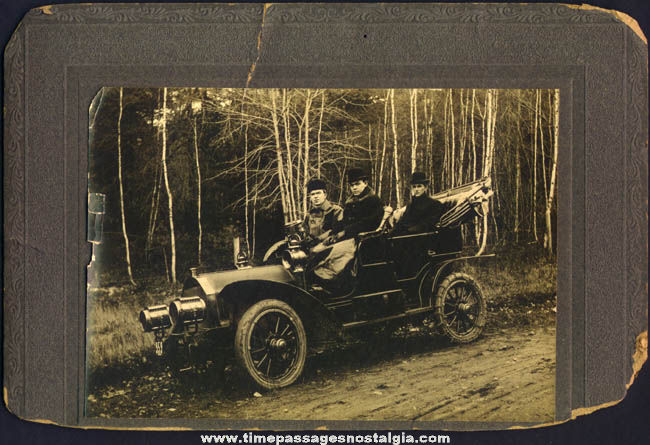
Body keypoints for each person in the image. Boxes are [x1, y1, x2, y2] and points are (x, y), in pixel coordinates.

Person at [312, 167, 384, 289]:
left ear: (365, 183)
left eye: (357, 184)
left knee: (333, 253)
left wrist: (344, 233)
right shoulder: (351, 201)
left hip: (364, 240)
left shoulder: (373, 201)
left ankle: (330, 283)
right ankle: (318, 279)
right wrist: (332, 234)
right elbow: (343, 222)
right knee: (317, 250)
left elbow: (367, 223)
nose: (354, 188)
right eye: (351, 185)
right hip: (349, 236)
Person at [392, 171, 450, 235]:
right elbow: (402, 221)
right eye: (414, 186)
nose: (416, 189)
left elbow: (429, 224)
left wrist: (409, 231)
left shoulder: (434, 204)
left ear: (425, 188)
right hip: (407, 236)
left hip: (422, 238)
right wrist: (393, 231)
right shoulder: (410, 205)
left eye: (419, 186)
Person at [302, 178, 343, 249]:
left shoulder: (335, 211)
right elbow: (305, 233)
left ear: (325, 194)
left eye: (318, 193)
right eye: (312, 194)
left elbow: (339, 232)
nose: (315, 196)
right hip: (312, 249)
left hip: (331, 248)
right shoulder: (309, 215)